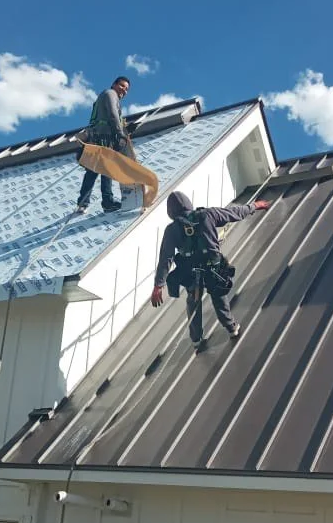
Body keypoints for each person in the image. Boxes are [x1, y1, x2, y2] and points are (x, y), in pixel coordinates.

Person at [150, 191, 270, 351]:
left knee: (193, 302)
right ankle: (232, 328)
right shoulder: (208, 215)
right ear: (188, 205)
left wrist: (159, 285)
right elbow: (235, 213)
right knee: (219, 298)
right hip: (213, 268)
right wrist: (254, 206)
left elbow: (166, 258)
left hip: (192, 273)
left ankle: (196, 340)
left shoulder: (172, 230)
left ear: (171, 212)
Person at [76, 76, 131, 213]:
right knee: (107, 168)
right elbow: (113, 113)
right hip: (103, 138)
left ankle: (83, 202)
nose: (124, 90)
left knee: (92, 171)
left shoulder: (106, 95)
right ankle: (107, 201)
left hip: (96, 137)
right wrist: (120, 133)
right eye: (122, 86)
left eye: (126, 89)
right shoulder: (110, 94)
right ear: (114, 84)